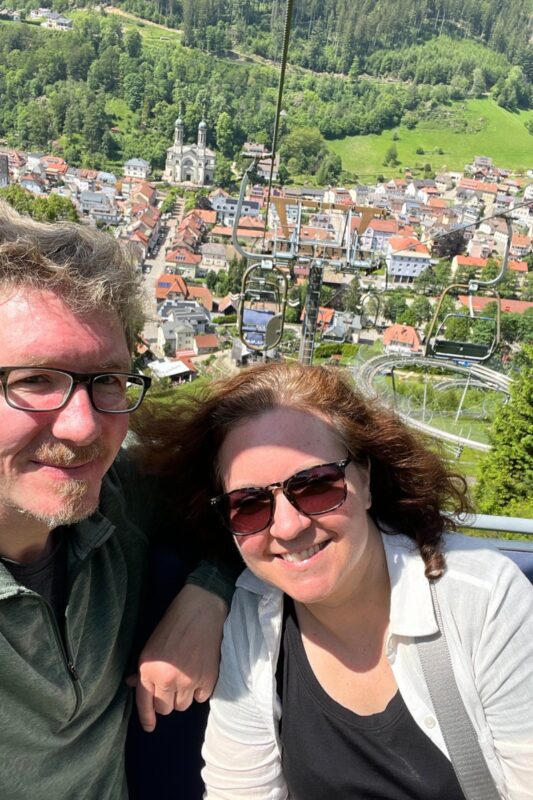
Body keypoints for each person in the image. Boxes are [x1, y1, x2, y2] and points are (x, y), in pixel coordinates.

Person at [133, 361, 533, 800]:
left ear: (364, 478)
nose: (286, 527)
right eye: (248, 504)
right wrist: (207, 591)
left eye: (316, 486)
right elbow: (240, 789)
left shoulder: (481, 598)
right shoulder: (252, 612)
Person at [0, 201, 231, 799]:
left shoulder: (115, 500)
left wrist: (209, 592)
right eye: (33, 381)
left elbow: (250, 507)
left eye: (106, 380)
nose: (83, 427)